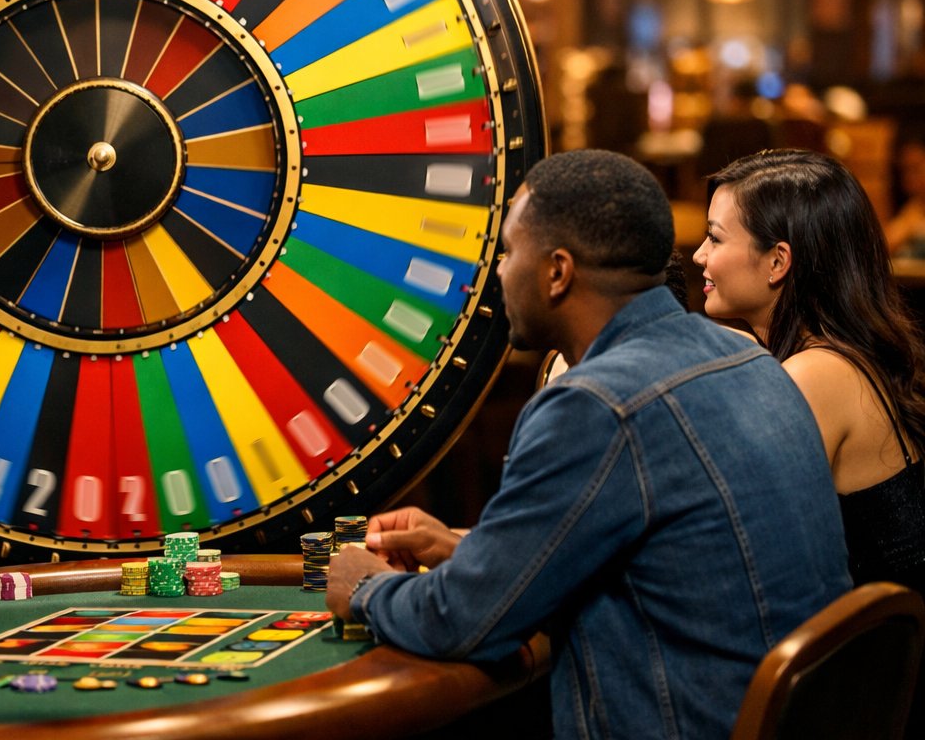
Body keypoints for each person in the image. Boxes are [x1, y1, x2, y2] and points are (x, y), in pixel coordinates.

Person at [327, 149, 850, 740]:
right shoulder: (750, 357)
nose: (496, 274)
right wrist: (462, 551)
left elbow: (463, 622)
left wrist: (365, 587)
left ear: (557, 271)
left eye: (507, 253)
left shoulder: (593, 404)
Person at [696, 149, 925, 594]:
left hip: (851, 658)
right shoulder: (837, 355)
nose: (700, 256)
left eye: (716, 239)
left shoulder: (815, 375)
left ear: (779, 262)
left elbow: (726, 537)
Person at [885, 130, 925, 259]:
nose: (908, 180)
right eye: (904, 171)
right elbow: (882, 247)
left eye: (915, 169)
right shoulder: (913, 209)